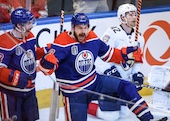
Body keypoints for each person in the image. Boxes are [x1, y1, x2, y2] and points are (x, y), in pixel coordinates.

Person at [38, 13, 168, 121]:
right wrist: (47, 62)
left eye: (85, 27)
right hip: (74, 92)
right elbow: (45, 69)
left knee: (126, 87)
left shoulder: (92, 38)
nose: (83, 31)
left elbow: (109, 54)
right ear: (72, 28)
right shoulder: (61, 42)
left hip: (95, 82)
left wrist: (125, 53)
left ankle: (148, 118)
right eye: (79, 28)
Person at [88, 3, 145, 121]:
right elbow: (99, 57)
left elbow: (137, 60)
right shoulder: (112, 33)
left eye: (135, 14)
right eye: (131, 14)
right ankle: (85, 104)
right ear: (122, 17)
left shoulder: (140, 37)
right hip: (108, 81)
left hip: (124, 82)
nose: (135, 17)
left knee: (125, 115)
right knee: (111, 117)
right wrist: (108, 71)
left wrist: (136, 74)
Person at [0, 8, 40, 121]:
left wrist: (47, 52)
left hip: (29, 90)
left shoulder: (30, 37)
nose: (31, 26)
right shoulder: (2, 43)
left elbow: (32, 54)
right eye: (28, 23)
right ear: (19, 25)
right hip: (9, 93)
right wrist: (16, 77)